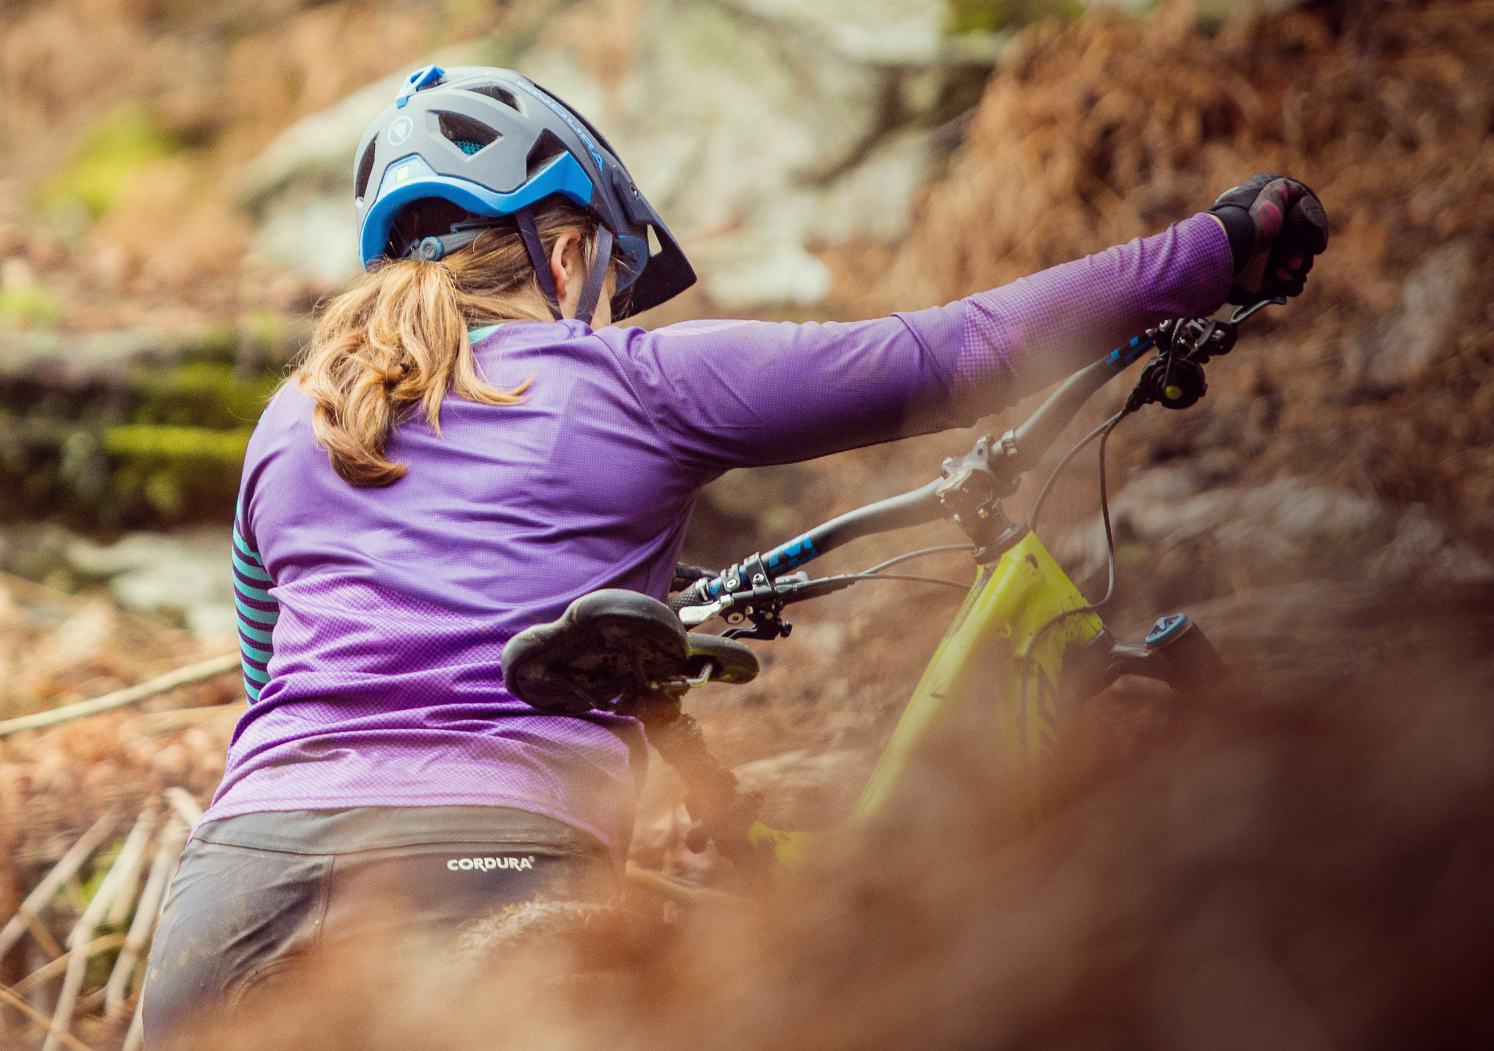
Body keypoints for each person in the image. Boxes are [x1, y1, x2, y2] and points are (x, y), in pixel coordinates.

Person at [140, 64, 1327, 1041]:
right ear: (565, 255)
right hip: (489, 857)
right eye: (605, 275)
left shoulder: (292, 421)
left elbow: (269, 670)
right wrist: (1216, 248)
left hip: (236, 880)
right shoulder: (630, 383)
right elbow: (951, 353)